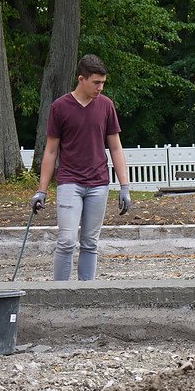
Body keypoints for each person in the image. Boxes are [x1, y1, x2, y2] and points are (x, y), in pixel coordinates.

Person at [29, 54, 131, 281]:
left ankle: (87, 293)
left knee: (90, 243)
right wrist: (42, 190)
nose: (100, 88)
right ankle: (60, 294)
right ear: (81, 79)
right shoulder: (60, 107)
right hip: (69, 183)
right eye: (96, 82)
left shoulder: (106, 106)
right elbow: (51, 151)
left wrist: (124, 186)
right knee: (66, 241)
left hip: (99, 184)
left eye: (103, 83)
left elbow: (115, 146)